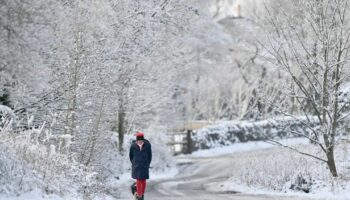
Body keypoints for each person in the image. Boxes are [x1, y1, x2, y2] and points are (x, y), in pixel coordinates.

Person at [129, 132, 152, 200]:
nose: (140, 142)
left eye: (141, 141)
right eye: (138, 141)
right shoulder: (133, 146)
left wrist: (147, 163)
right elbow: (131, 156)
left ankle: (142, 194)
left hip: (144, 165)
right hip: (136, 165)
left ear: (143, 140)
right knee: (138, 180)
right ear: (136, 141)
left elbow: (149, 156)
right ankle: (139, 196)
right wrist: (134, 162)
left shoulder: (147, 146)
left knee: (143, 180)